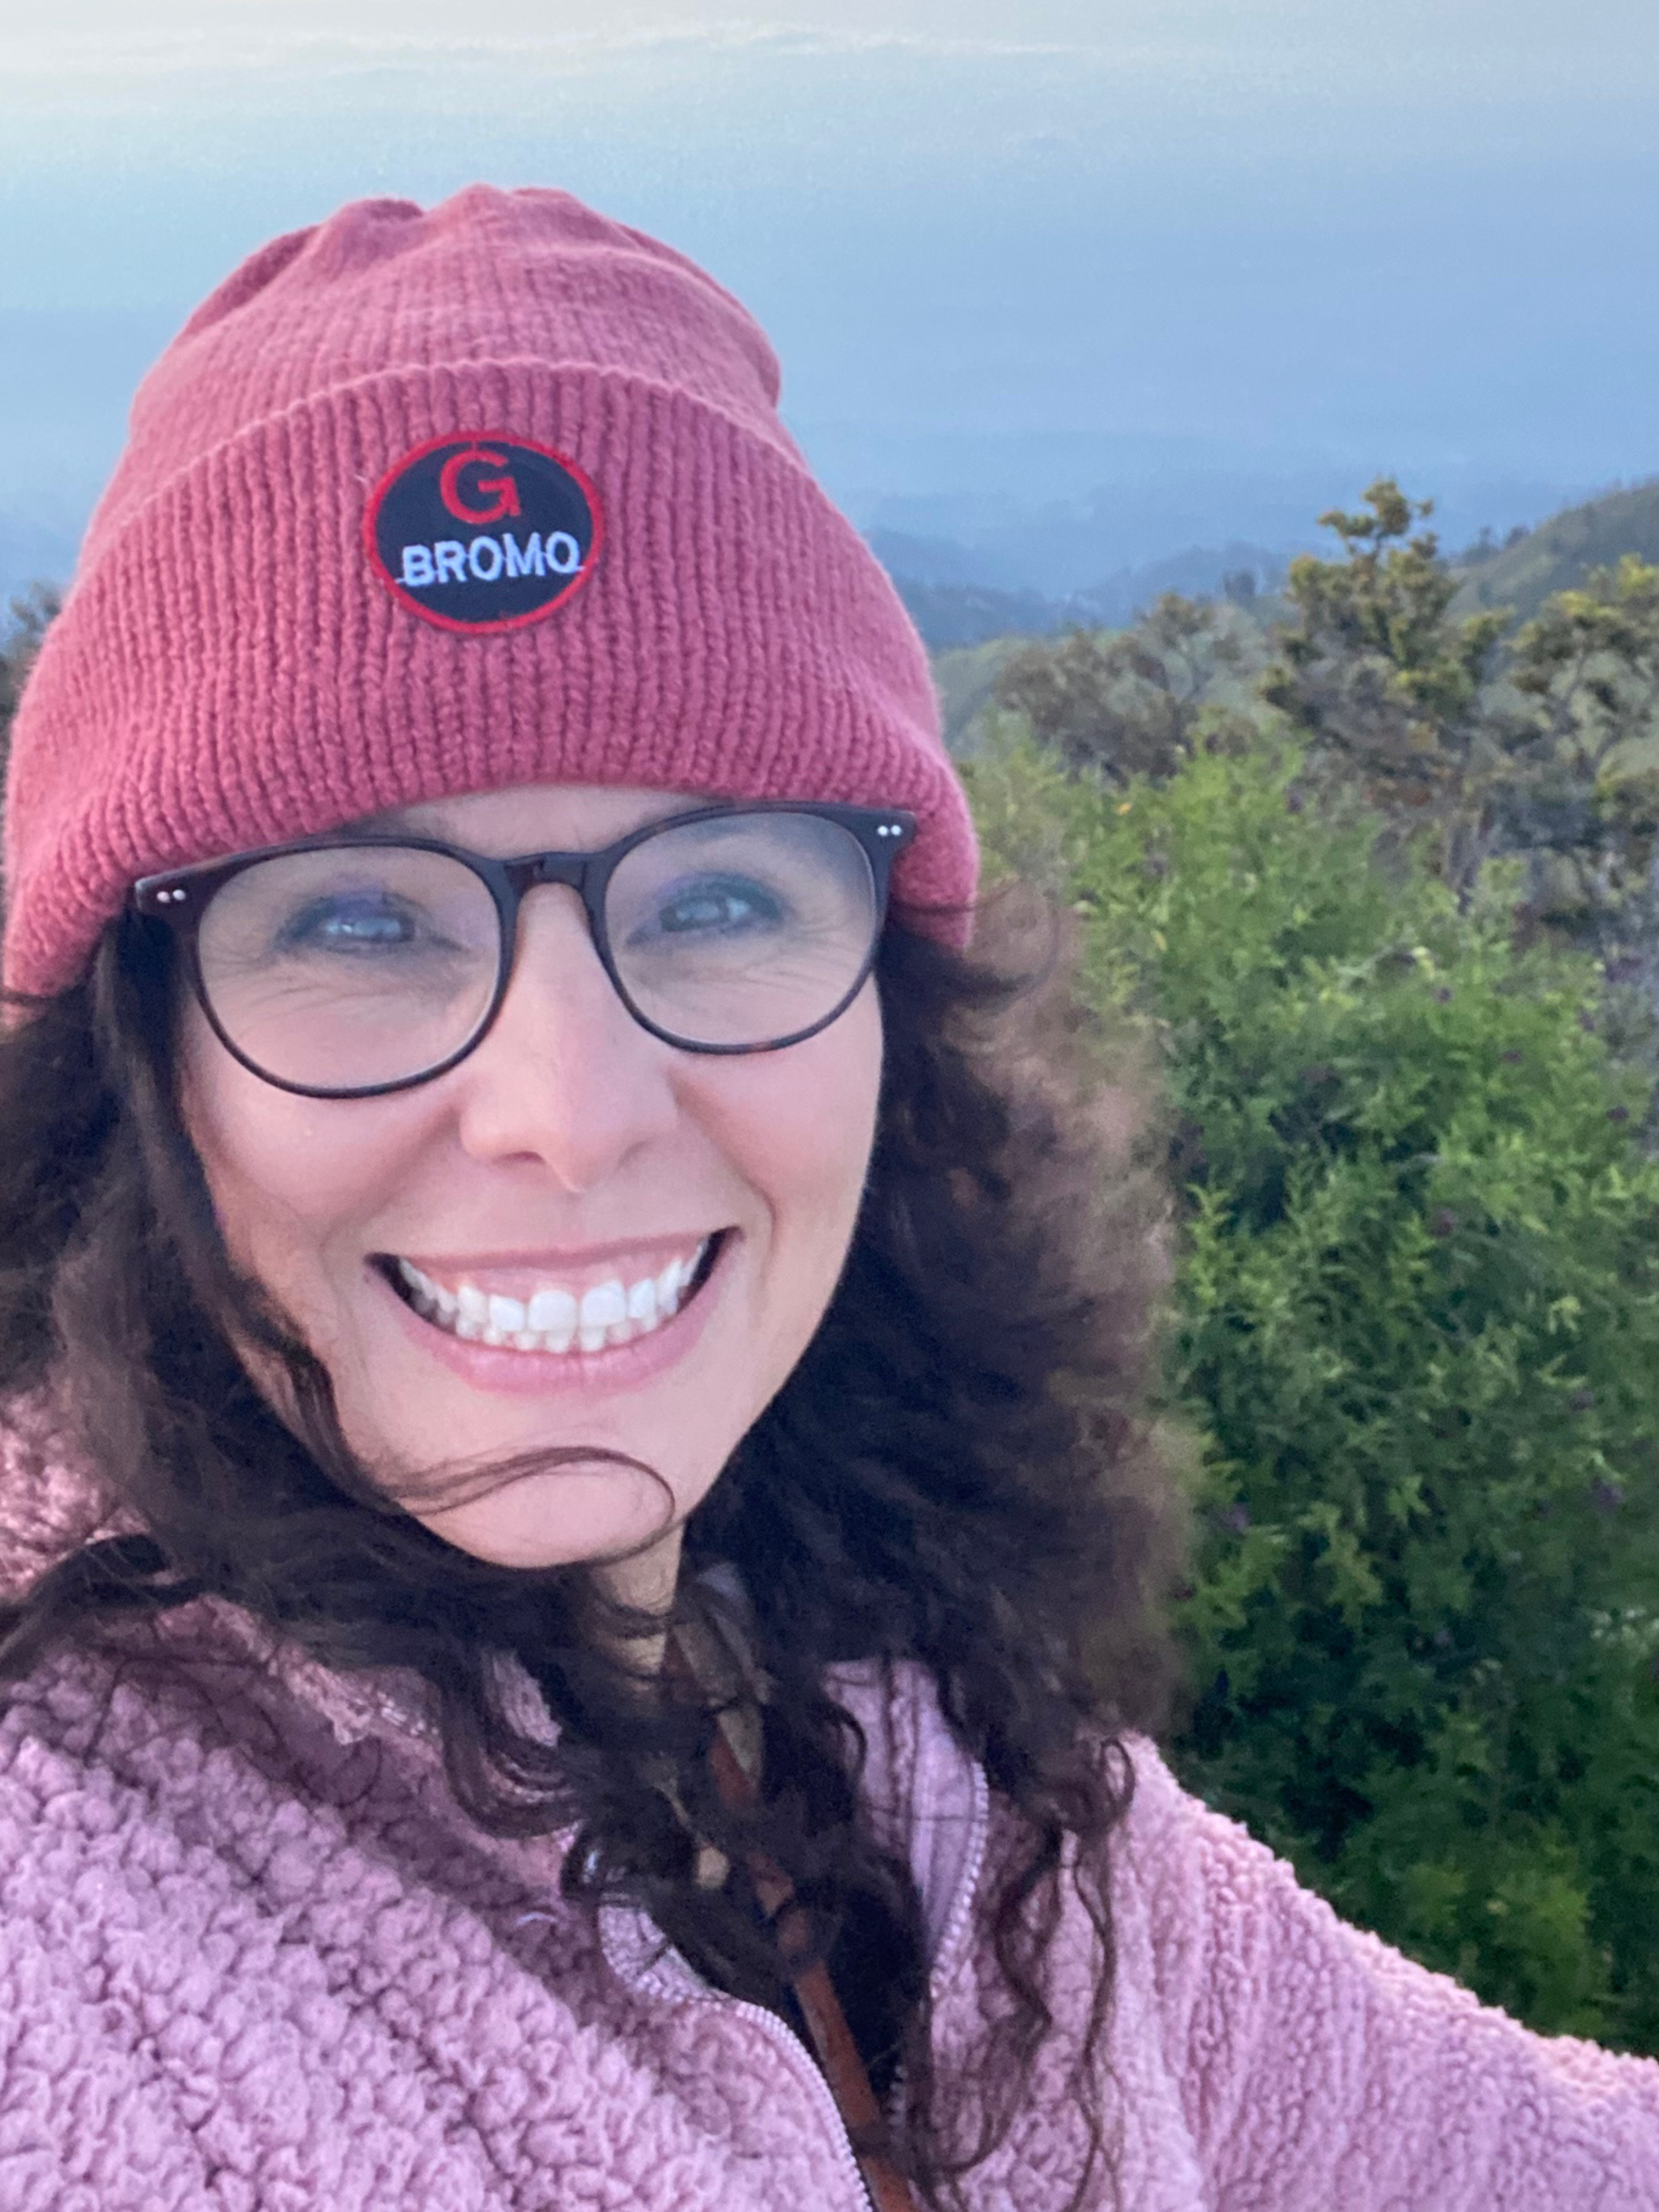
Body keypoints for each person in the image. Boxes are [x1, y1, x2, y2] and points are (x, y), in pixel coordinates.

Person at [0, 185, 1653, 2212]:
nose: (566, 1109)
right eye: (356, 920)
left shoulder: (921, 1751)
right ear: (129, 1053)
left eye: (713, 900)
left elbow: (1505, 2148)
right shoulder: (72, 1922)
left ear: (890, 999)